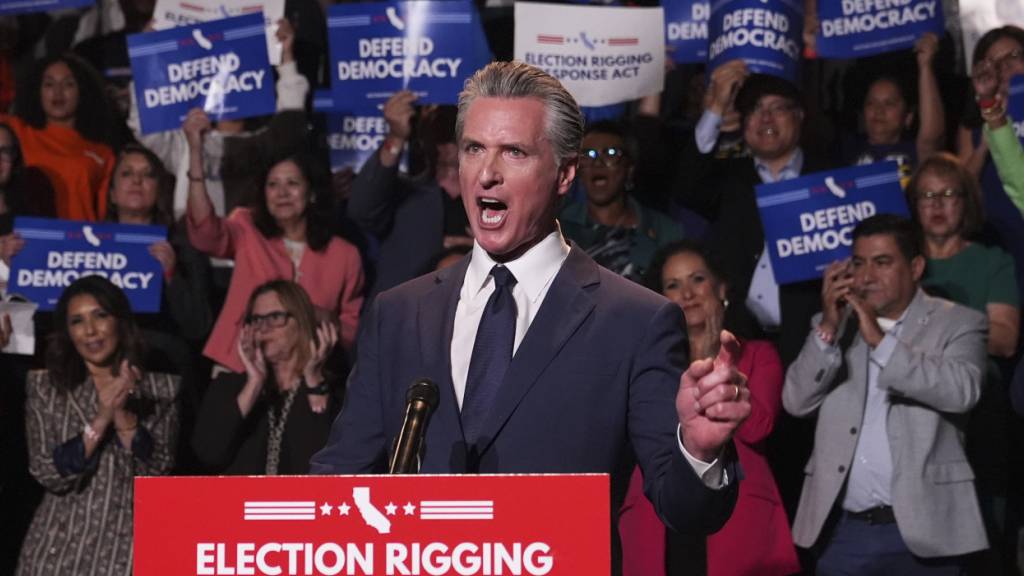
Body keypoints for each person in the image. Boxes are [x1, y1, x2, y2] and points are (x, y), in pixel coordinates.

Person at [310, 61, 751, 574]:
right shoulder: (399, 312)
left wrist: (698, 450)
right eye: (474, 148)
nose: (486, 172)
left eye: (513, 152)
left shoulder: (635, 321)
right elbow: (340, 480)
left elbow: (685, 510)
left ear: (565, 174)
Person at [783, 214, 988, 575]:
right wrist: (829, 328)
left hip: (927, 531)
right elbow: (796, 402)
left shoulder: (959, 323)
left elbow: (962, 391)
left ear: (916, 266)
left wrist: (879, 340)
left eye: (882, 263)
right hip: (845, 533)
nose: (865, 277)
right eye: (858, 263)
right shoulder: (831, 326)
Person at [620, 241, 799, 576]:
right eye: (672, 285)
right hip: (656, 520)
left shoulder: (758, 355)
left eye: (697, 279)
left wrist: (711, 355)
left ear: (721, 288)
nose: (686, 293)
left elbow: (758, 427)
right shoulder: (647, 364)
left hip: (737, 519)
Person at [17, 275, 180, 575]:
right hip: (56, 550)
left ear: (119, 320)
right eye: (77, 321)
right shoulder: (47, 387)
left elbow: (158, 470)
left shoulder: (160, 391)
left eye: (100, 316)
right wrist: (102, 417)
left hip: (125, 551)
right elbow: (47, 471)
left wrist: (122, 414)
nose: (90, 331)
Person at [906, 153, 1019, 573]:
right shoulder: (900, 263)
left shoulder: (992, 261)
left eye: (948, 194)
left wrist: (937, 329)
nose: (936, 205)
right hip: (913, 414)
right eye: (927, 195)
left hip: (978, 415)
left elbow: (1005, 339)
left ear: (966, 201)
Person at [184, 114, 364, 374]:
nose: (282, 193)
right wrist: (195, 151)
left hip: (307, 374)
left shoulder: (345, 255)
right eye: (273, 185)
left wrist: (324, 318)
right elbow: (204, 233)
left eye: (292, 183)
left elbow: (351, 329)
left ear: (311, 194)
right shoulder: (247, 227)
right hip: (239, 365)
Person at [192, 280, 341, 474]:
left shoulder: (334, 391)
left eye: (275, 317)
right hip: (238, 502)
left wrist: (314, 383)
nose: (263, 327)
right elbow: (208, 454)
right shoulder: (228, 386)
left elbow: (331, 463)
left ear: (301, 322)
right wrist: (254, 384)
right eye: (257, 320)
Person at [347, 91, 472, 300]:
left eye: (457, 120)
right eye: (438, 121)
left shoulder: (497, 200)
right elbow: (361, 210)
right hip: (403, 323)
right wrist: (396, 137)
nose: (448, 128)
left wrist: (494, 251)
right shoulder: (402, 194)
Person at [559, 120, 683, 283]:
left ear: (629, 169)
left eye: (610, 154)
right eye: (588, 155)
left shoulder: (664, 232)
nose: (598, 163)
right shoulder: (558, 228)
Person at [2, 53, 114, 221]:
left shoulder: (103, 154)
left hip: (80, 244)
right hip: (26, 242)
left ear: (82, 91)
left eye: (68, 84)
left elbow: (105, 216)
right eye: (48, 84)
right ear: (37, 91)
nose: (57, 92)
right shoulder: (16, 131)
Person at [843, 33, 943, 180]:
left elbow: (932, 138)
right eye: (871, 103)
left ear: (908, 117)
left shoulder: (915, 153)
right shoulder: (847, 152)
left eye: (889, 103)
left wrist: (925, 66)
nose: (878, 111)